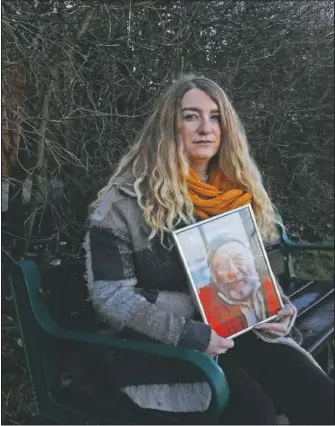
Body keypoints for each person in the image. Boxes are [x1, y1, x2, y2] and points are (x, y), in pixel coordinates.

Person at [84, 74, 334, 424]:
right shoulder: (123, 204)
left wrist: (277, 308)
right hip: (169, 349)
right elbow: (110, 298)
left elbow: (257, 274)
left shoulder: (237, 193)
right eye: (191, 116)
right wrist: (191, 332)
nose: (205, 128)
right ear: (168, 126)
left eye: (215, 116)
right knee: (257, 414)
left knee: (319, 398)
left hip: (245, 335)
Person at [198, 233, 281, 337]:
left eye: (239, 260)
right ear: (214, 276)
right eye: (223, 266)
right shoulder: (205, 302)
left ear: (252, 261)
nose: (233, 272)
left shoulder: (267, 283)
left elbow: (283, 308)